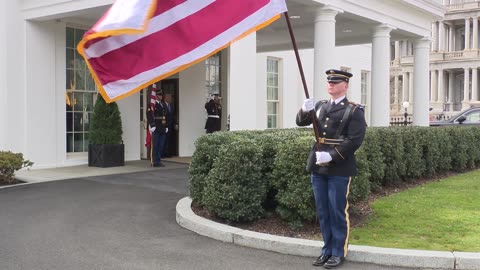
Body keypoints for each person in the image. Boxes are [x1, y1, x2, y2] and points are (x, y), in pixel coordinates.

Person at [296, 69, 366, 269]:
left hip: (340, 166)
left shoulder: (354, 111)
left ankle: (338, 252)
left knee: (336, 210)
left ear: (345, 85)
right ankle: (326, 250)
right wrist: (303, 109)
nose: (331, 85)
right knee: (323, 210)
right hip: (317, 163)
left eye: (335, 82)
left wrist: (333, 155)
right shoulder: (319, 106)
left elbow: (355, 140)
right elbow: (301, 122)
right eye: (329, 82)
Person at [147, 89, 169, 167]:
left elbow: (165, 116)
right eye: (159, 95)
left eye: (161, 95)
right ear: (155, 96)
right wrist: (152, 125)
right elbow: (149, 115)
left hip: (162, 127)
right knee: (155, 145)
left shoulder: (163, 105)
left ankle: (158, 160)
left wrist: (166, 126)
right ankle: (155, 161)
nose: (161, 96)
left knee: (161, 145)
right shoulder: (152, 105)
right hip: (156, 127)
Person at [162, 93, 176, 158]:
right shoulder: (162, 105)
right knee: (164, 140)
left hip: (170, 126)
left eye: (171, 98)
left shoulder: (172, 105)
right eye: (169, 98)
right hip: (164, 126)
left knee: (169, 140)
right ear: (166, 98)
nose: (170, 99)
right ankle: (163, 153)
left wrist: (175, 124)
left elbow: (173, 116)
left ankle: (168, 153)